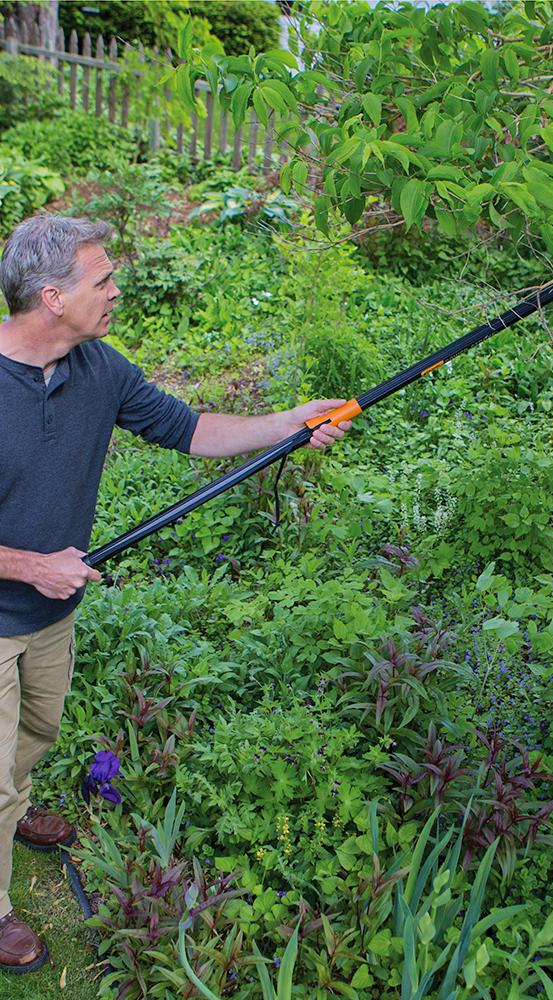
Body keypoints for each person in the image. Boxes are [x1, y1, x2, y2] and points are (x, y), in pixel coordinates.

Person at [0, 215, 353, 973]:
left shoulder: (98, 369)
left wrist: (287, 422)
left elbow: (190, 428)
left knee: (37, 730)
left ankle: (13, 810)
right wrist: (29, 566)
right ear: (53, 297)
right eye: (102, 280)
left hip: (53, 613)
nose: (116, 291)